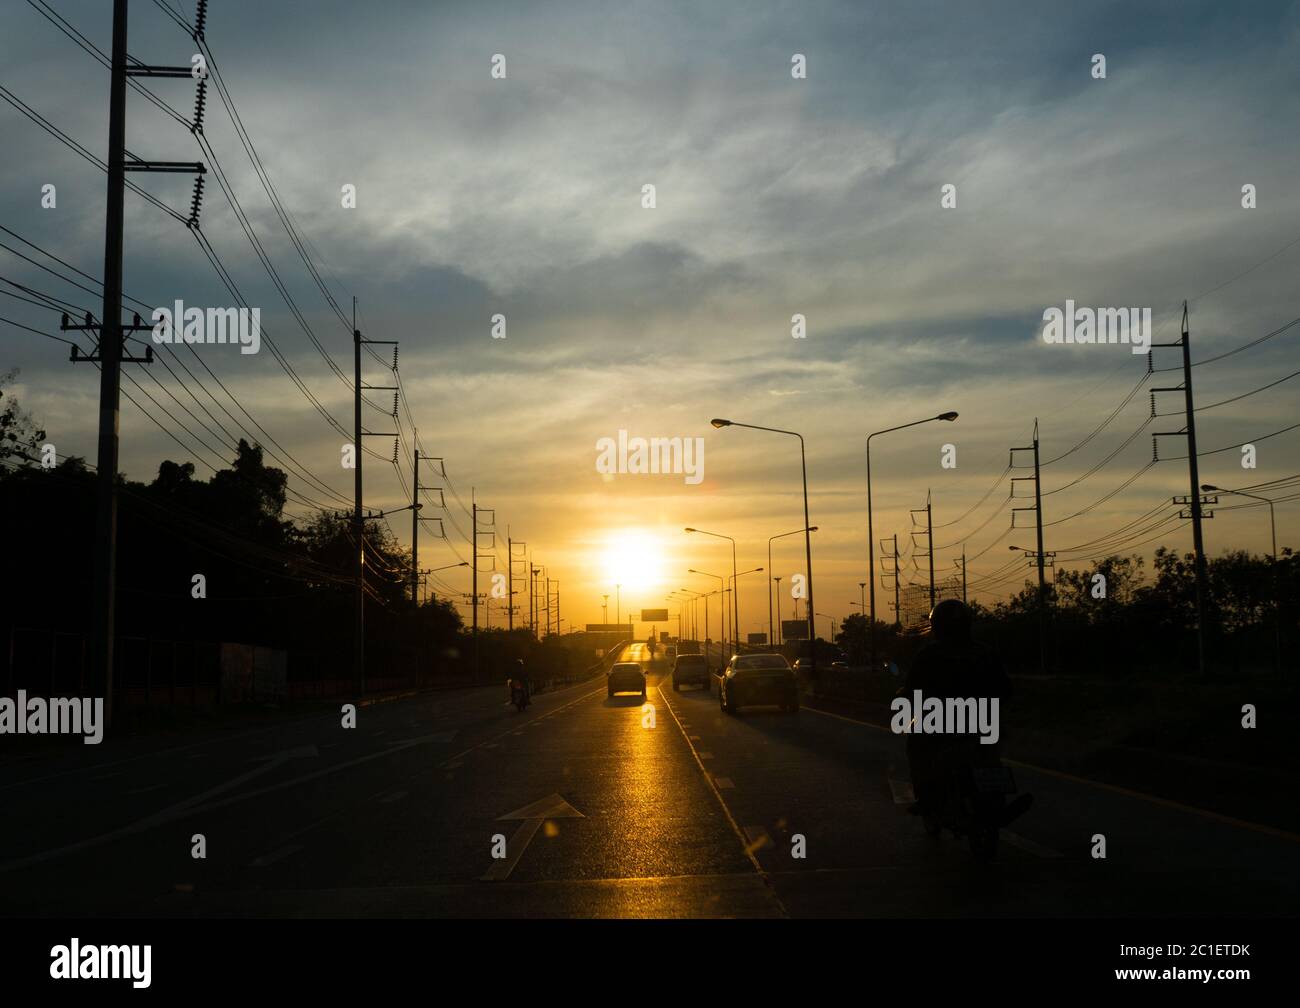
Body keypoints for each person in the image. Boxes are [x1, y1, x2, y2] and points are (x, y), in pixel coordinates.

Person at [902, 599, 1011, 817]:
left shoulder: (930, 654)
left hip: (942, 720)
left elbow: (912, 687)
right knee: (990, 753)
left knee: (916, 744)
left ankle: (925, 798)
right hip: (982, 719)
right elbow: (1005, 687)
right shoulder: (984, 652)